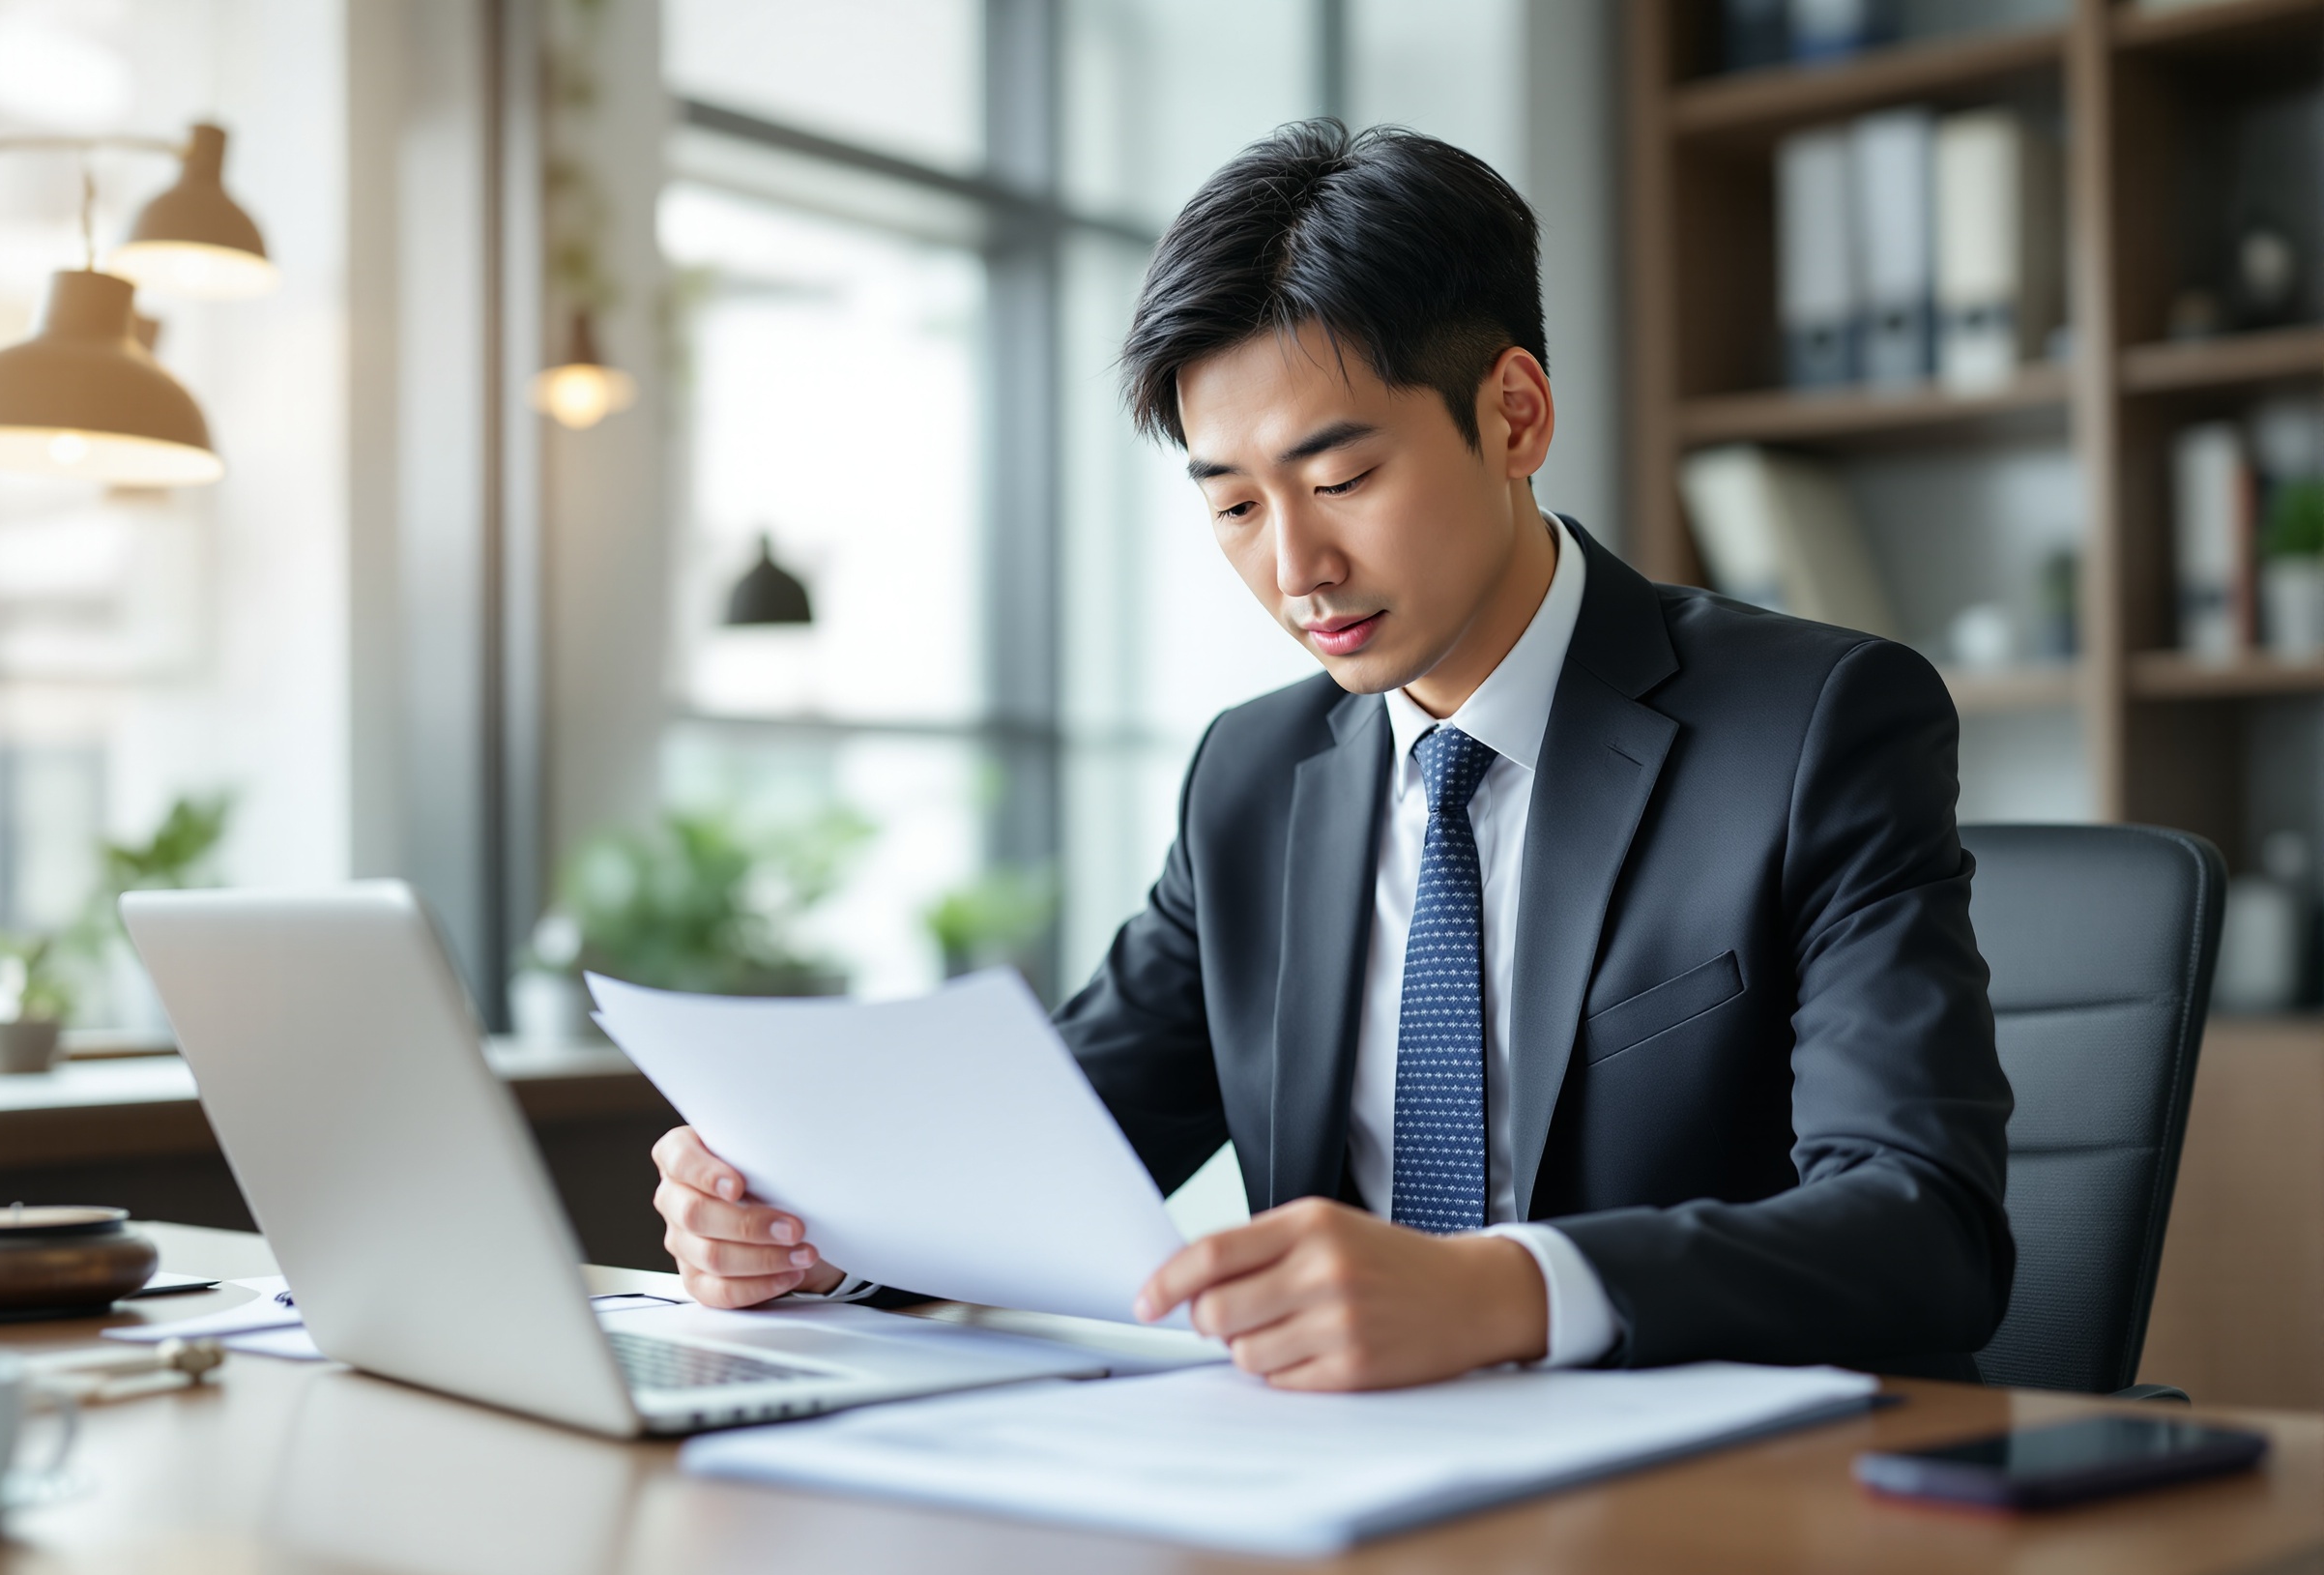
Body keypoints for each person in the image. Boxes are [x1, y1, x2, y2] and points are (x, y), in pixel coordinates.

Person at [651, 121, 2014, 1391]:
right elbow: (1049, 1150)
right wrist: (815, 1228)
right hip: (1318, 1505)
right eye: (1235, 504)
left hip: (1692, 1518)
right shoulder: (1254, 780)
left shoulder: (1817, 725)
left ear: (1516, 415)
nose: (1295, 568)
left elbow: (1922, 1230)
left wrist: (1501, 1294)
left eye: (1342, 480)